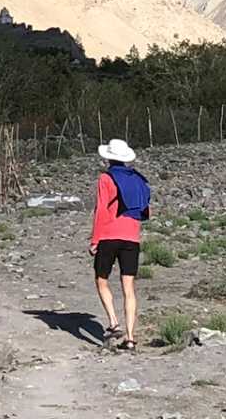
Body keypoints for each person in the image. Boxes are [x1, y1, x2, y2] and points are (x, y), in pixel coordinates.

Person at [90, 139, 149, 351]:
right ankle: (131, 338)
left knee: (101, 279)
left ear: (108, 157)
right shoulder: (138, 179)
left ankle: (114, 323)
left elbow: (101, 211)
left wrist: (94, 240)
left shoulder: (106, 178)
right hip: (132, 236)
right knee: (129, 287)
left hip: (108, 235)